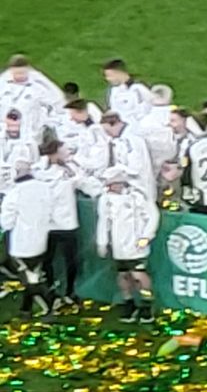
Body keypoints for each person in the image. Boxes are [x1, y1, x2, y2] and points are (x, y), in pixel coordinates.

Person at [95, 166, 159, 323]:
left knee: (139, 275)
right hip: (119, 246)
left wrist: (146, 237)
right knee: (123, 274)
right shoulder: (105, 200)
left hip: (137, 244)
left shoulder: (138, 196)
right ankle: (128, 302)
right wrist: (102, 242)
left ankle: (146, 304)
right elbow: (104, 222)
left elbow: (153, 216)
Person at [0, 159, 56, 320]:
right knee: (33, 275)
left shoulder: (14, 194)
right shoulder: (45, 189)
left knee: (30, 279)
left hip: (21, 244)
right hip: (41, 240)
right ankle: (26, 309)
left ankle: (49, 305)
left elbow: (6, 223)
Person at [35, 138, 85, 310]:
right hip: (49, 224)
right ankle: (52, 293)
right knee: (48, 260)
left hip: (67, 224)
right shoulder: (39, 171)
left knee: (71, 260)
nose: (67, 154)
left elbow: (81, 181)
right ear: (54, 152)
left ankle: (70, 291)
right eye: (63, 151)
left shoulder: (69, 170)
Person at [0, 54, 61, 142]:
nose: (20, 76)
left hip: (31, 130)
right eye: (17, 73)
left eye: (22, 73)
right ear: (11, 71)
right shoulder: (3, 82)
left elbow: (56, 99)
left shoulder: (39, 82)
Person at [0, 110, 40, 197]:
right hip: (4, 184)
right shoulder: (1, 140)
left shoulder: (30, 143)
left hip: (26, 183)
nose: (13, 129)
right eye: (10, 126)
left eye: (15, 126)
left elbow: (37, 163)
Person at [102, 59, 154, 125]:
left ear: (119, 73)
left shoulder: (139, 88)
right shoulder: (113, 91)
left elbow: (152, 105)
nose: (107, 79)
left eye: (110, 76)